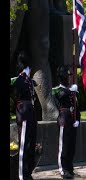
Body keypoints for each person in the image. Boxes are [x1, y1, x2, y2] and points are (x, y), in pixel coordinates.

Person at [10, 51, 38, 180]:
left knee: (31, 143)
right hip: (24, 112)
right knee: (24, 143)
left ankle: (28, 172)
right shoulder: (19, 79)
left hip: (30, 112)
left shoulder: (29, 80)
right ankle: (22, 174)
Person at [52, 66, 81, 179]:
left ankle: (69, 168)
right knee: (63, 146)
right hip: (63, 120)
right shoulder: (57, 90)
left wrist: (78, 119)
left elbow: (76, 107)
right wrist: (71, 91)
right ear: (62, 77)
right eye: (67, 76)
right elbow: (60, 95)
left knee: (71, 146)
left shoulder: (72, 91)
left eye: (70, 76)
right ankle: (63, 170)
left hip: (72, 120)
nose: (69, 78)